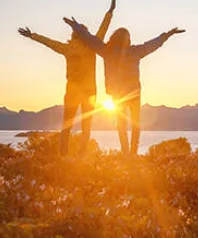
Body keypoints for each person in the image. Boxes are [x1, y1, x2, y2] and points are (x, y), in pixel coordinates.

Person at [64, 17, 185, 155]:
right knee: (135, 125)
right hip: (134, 94)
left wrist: (75, 26)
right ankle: (132, 153)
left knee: (122, 126)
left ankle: (126, 153)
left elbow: (90, 39)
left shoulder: (106, 51)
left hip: (118, 95)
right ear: (126, 39)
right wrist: (167, 35)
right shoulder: (134, 52)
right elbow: (153, 45)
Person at [18, 0, 115, 156]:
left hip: (74, 91)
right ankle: (81, 155)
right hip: (88, 91)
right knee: (86, 125)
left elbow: (48, 42)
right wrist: (110, 12)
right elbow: (103, 29)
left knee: (67, 125)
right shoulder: (91, 46)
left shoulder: (68, 48)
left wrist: (33, 35)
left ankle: (64, 156)